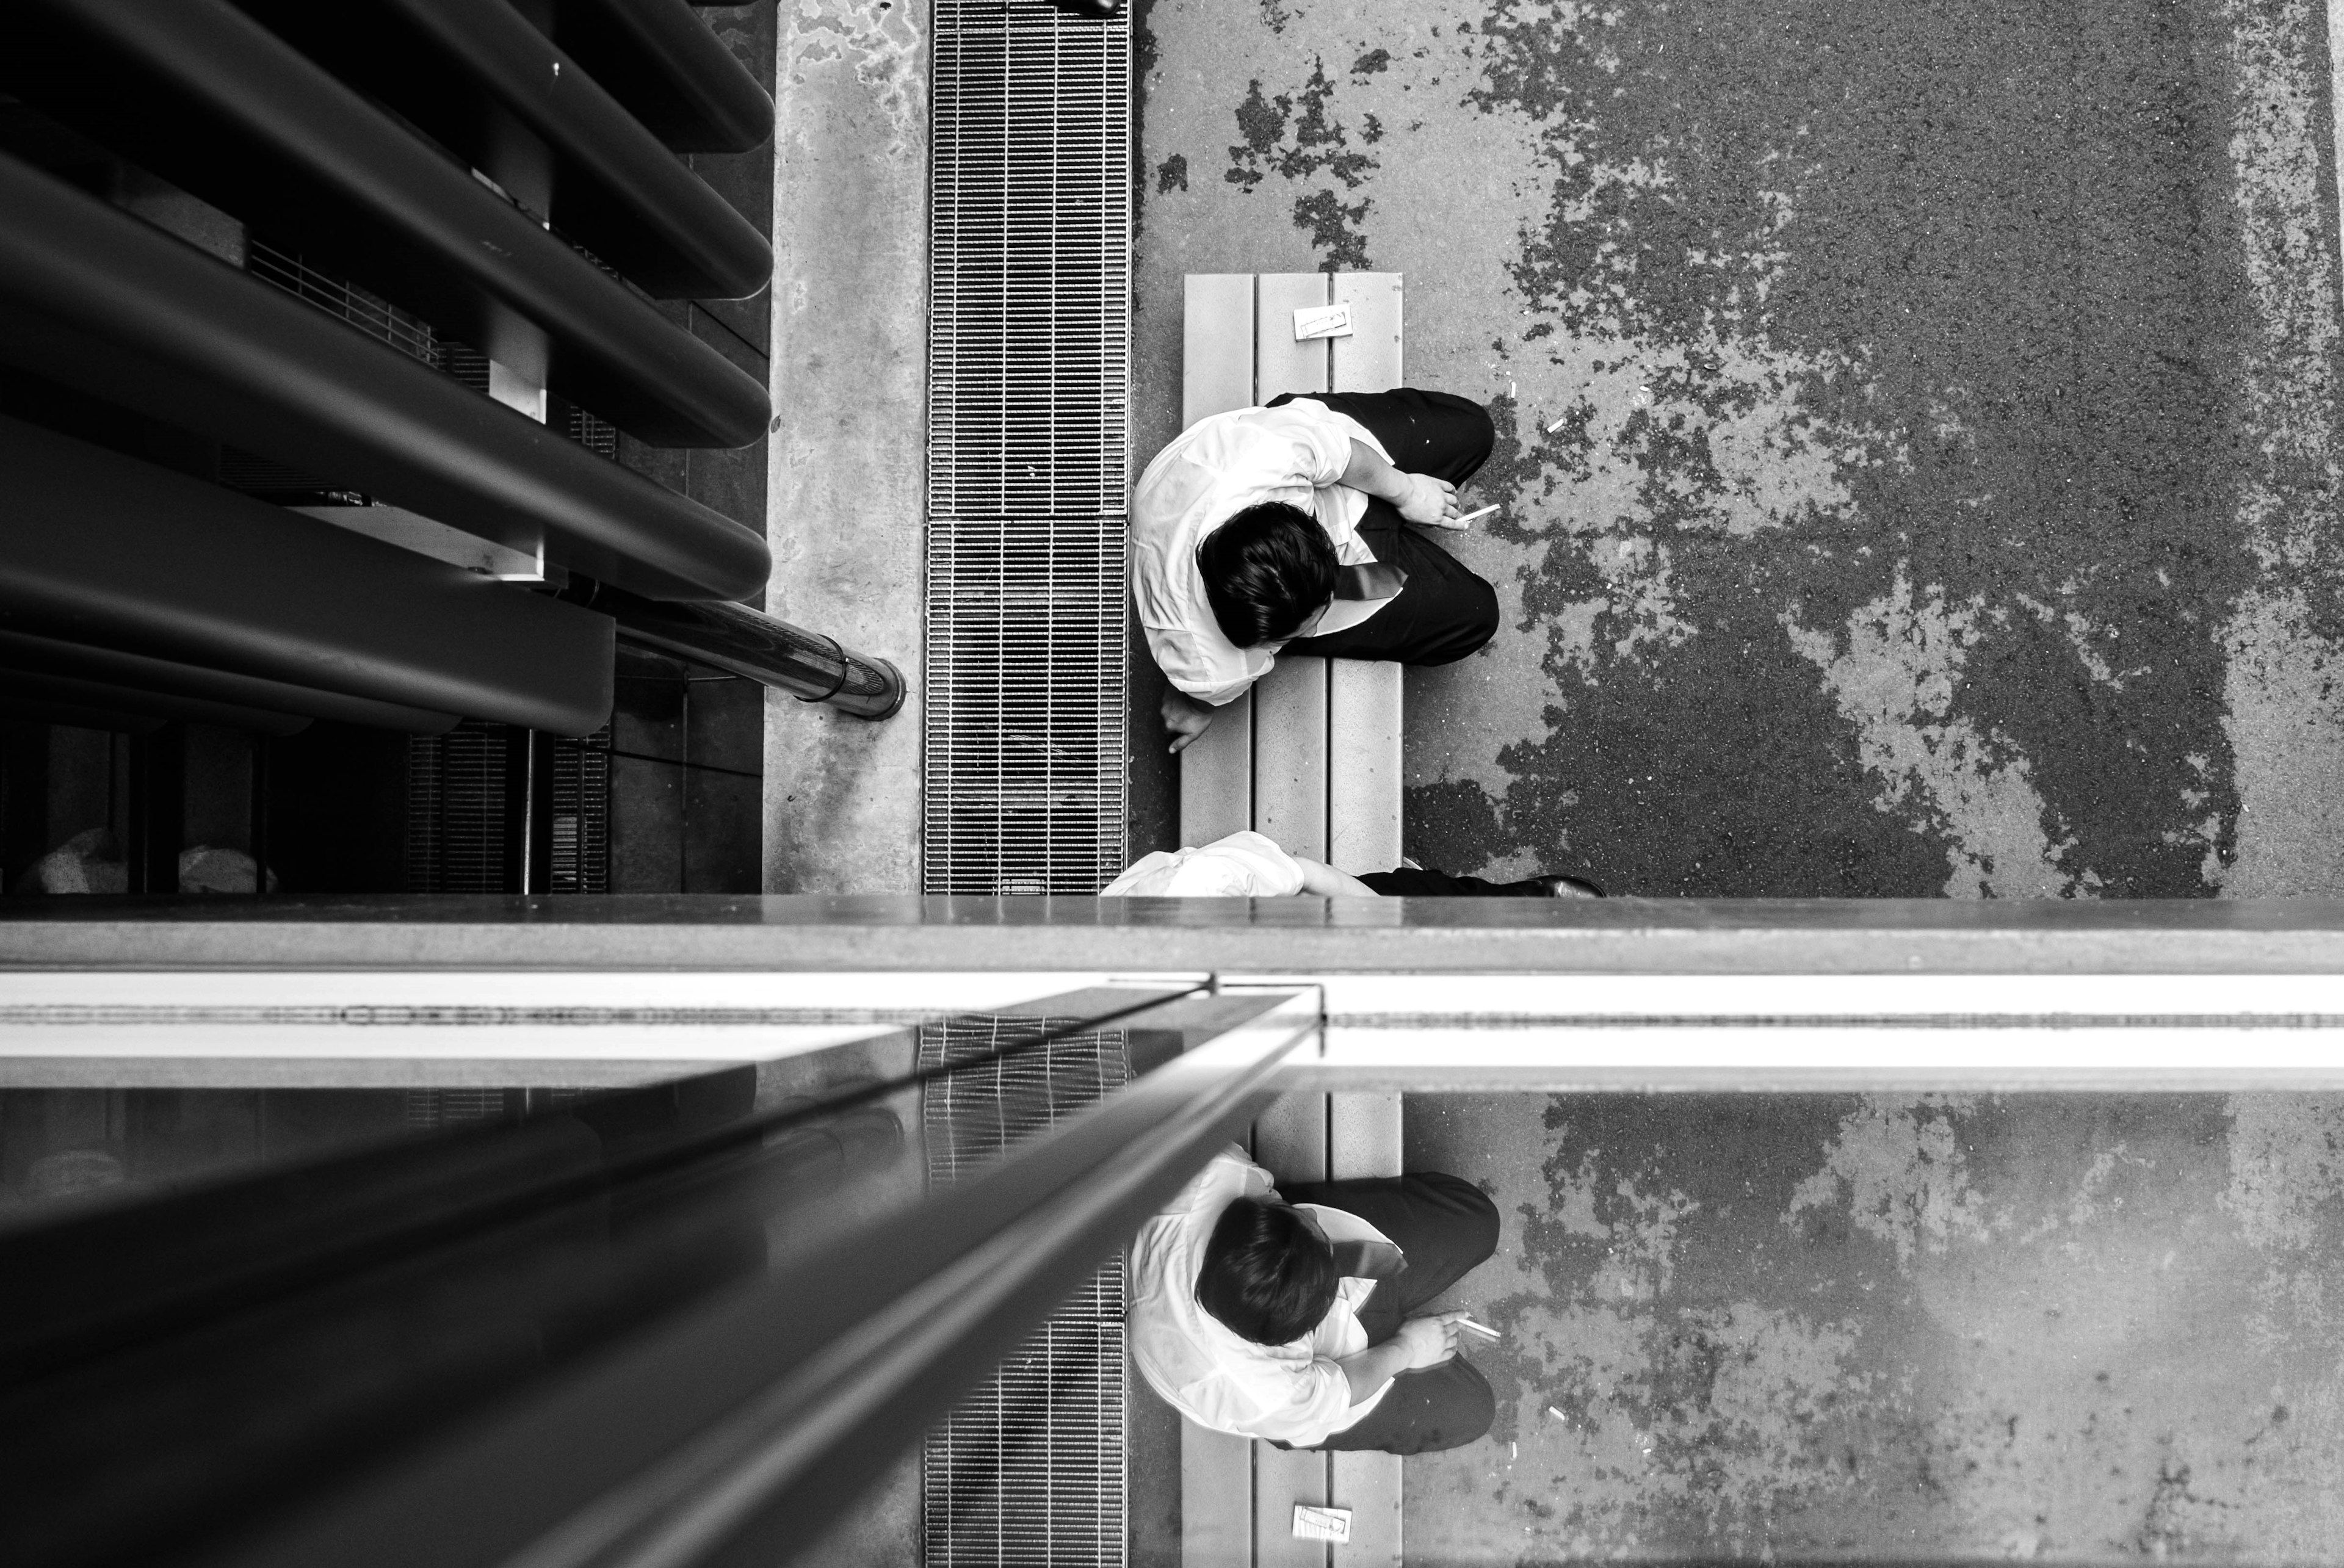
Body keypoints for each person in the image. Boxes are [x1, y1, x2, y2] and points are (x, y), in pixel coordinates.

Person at [1133, 388, 1502, 754]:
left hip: (1314, 460)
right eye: (1302, 628)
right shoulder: (1212, 668)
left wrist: (1406, 491)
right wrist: (1198, 700)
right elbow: (1205, 686)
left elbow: (1342, 455)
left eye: (1321, 606)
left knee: (1475, 430)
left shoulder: (1266, 455)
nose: (1313, 628)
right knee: (1477, 616)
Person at [1129, 1142, 1501, 1453]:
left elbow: (1305, 1223)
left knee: (1479, 1223)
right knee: (1475, 1411)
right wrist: (1408, 1348)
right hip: (1323, 1385)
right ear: (1287, 1339)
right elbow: (1338, 1392)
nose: (1311, 1214)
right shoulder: (1263, 1392)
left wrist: (1304, 1237)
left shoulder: (1211, 1173)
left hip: (1287, 1255)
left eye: (1298, 1215)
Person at [1099, 829, 1602, 898]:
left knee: (1415, 900)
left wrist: (1379, 913)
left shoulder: (1209, 884)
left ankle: (1522, 900)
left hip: (1307, 917)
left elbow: (1307, 873)